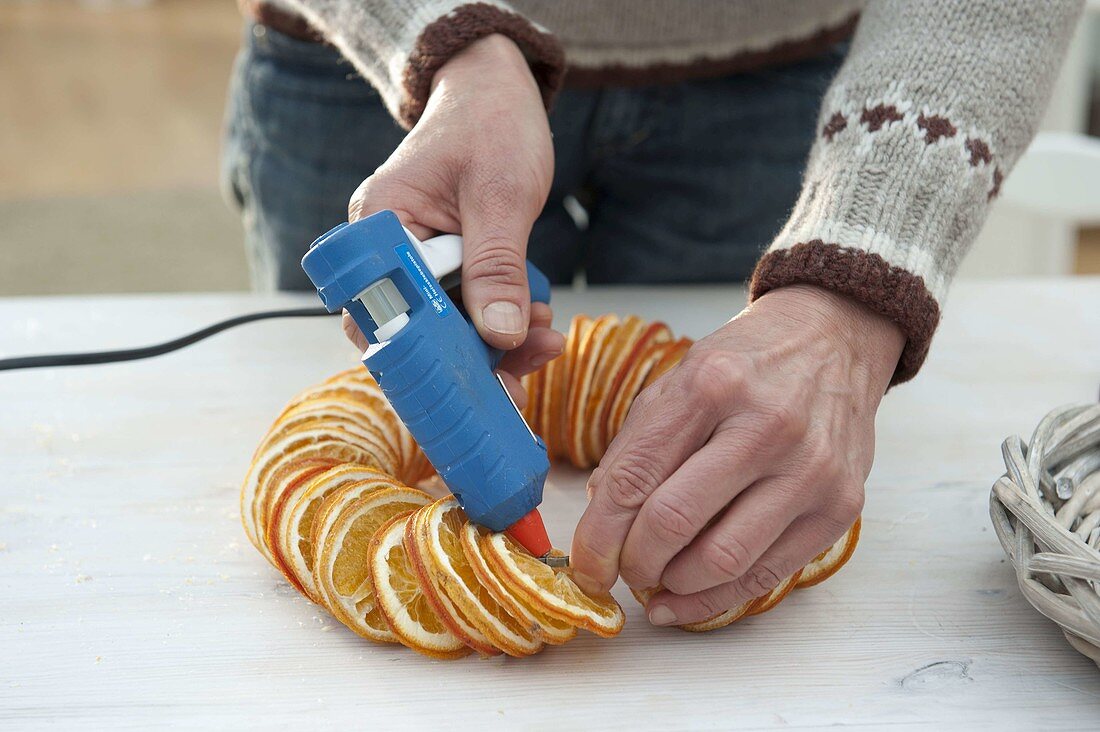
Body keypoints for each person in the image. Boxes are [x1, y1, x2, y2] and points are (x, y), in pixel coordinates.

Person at [222, 0, 1082, 627]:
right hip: (360, 61)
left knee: (757, 441)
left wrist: (861, 273)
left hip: (791, 79)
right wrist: (443, 36)